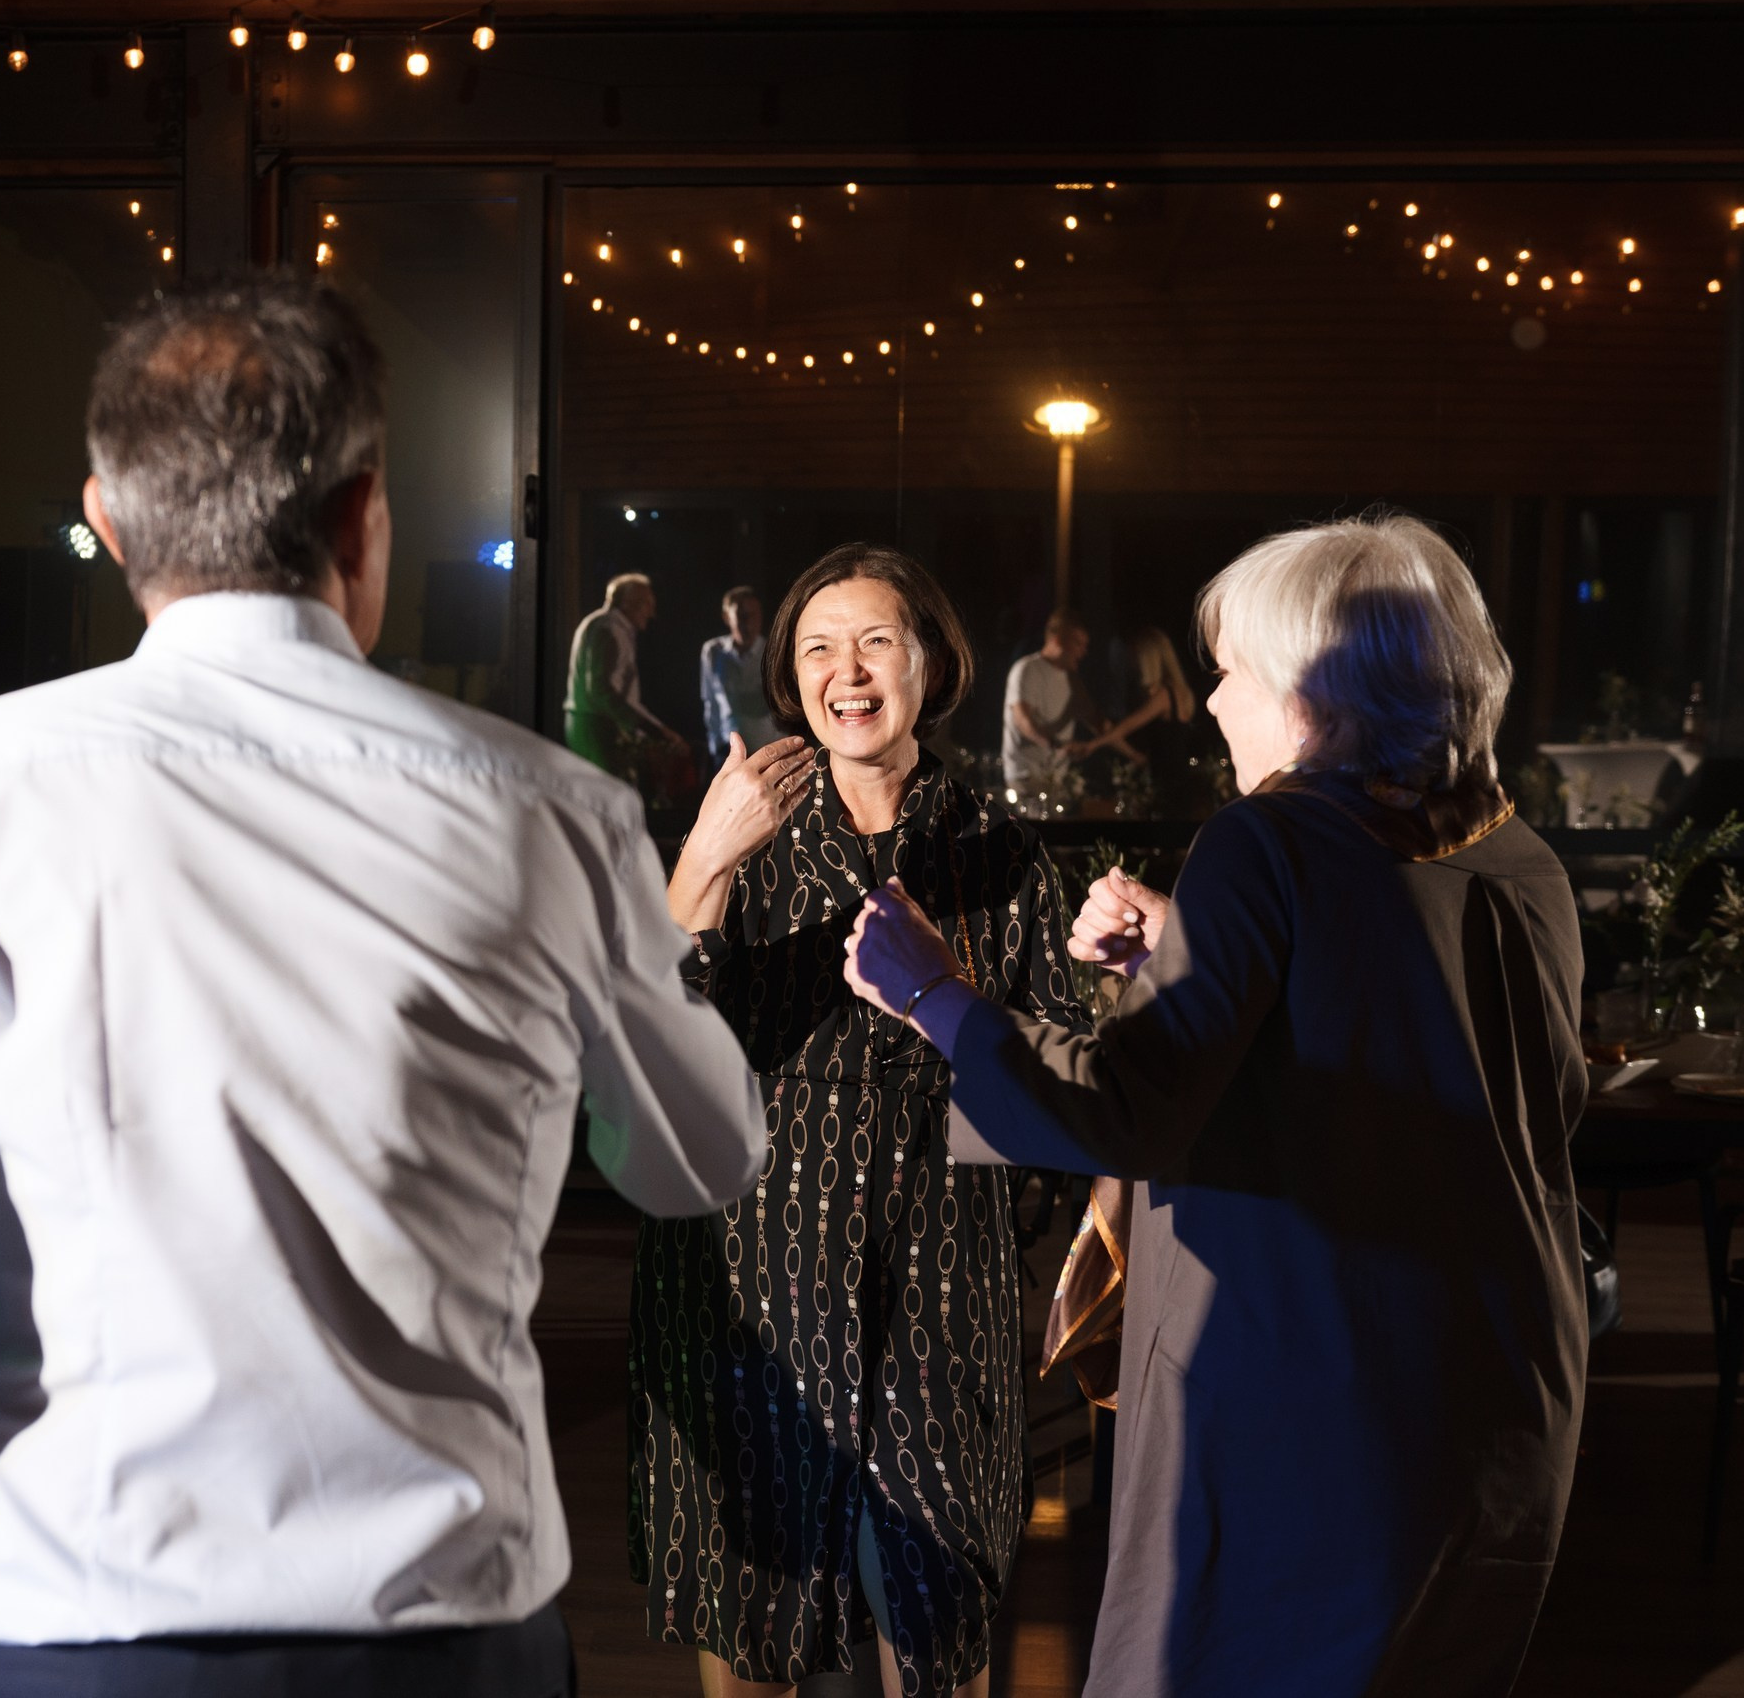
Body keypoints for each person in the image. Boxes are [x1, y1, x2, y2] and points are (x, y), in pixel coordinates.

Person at [0, 275, 770, 1698]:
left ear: (108, 520)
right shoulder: (555, 812)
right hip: (452, 1639)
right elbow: (702, 1154)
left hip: (72, 1623)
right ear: (363, 517)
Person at [845, 514, 1587, 1697]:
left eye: (1231, 669)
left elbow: (1123, 1112)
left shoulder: (1269, 841)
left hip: (1303, 1390)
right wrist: (1179, 957)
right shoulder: (1518, 857)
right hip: (1496, 1386)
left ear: (1311, 691)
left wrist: (931, 992)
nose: (1210, 702)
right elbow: (1454, 1083)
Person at [637, 543, 1086, 1698]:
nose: (848, 671)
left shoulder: (1000, 851)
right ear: (791, 678)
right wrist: (703, 857)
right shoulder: (746, 835)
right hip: (758, 1280)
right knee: (755, 1609)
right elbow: (643, 1039)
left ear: (930, 663)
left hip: (940, 1291)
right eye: (818, 649)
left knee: (938, 1618)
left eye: (876, 641)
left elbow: (1059, 1084)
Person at [567, 570, 687, 781]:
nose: (651, 613)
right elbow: (601, 690)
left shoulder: (600, 624)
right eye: (647, 604)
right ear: (628, 602)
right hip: (598, 729)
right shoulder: (610, 629)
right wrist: (651, 728)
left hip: (592, 725)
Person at [1087, 626, 1205, 815]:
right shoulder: (1180, 692)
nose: (1133, 664)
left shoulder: (1165, 695)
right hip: (1174, 778)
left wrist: (1091, 745)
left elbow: (1126, 727)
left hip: (1168, 784)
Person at [999, 607, 1099, 810]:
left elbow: (1099, 723)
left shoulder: (1073, 681)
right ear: (1058, 639)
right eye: (1077, 643)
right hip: (1026, 778)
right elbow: (1023, 721)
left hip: (1057, 780)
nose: (1083, 652)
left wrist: (1134, 756)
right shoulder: (1026, 669)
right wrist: (1055, 745)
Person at [699, 584, 777, 765]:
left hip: (767, 750)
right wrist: (715, 744)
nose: (747, 622)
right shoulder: (713, 651)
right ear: (727, 617)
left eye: (753, 614)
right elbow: (710, 700)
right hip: (727, 751)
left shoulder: (773, 652)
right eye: (741, 615)